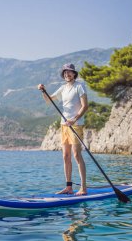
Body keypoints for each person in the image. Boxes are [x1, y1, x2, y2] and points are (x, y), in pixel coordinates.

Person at [37, 63, 89, 195]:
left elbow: (85, 106)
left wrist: (74, 119)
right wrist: (43, 91)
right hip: (64, 125)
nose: (67, 74)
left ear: (74, 74)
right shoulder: (63, 88)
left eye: (70, 72)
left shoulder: (79, 86)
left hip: (76, 125)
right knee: (66, 156)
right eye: (65, 72)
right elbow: (49, 100)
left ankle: (83, 188)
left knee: (76, 155)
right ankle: (69, 187)